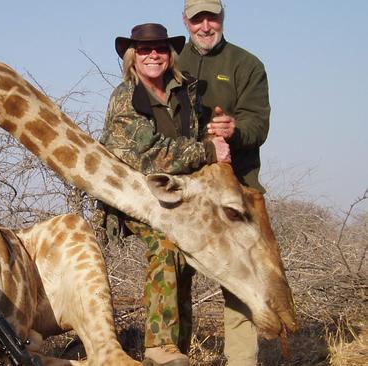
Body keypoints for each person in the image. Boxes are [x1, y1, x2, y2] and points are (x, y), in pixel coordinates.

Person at [100, 23, 230, 366]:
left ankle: (178, 350)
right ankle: (158, 346)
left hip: (173, 193)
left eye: (159, 48)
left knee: (186, 258)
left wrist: (214, 133)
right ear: (133, 57)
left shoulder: (184, 91)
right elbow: (148, 155)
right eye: (144, 50)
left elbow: (194, 133)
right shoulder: (124, 97)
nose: (153, 55)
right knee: (166, 244)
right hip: (132, 193)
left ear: (169, 54)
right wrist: (207, 151)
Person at [179, 0, 271, 364]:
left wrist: (235, 129)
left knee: (240, 284)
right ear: (185, 20)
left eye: (211, 17)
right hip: (185, 194)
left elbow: (258, 126)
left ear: (222, 18)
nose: (205, 26)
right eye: (197, 18)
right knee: (173, 281)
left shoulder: (247, 64)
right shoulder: (168, 59)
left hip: (236, 189)